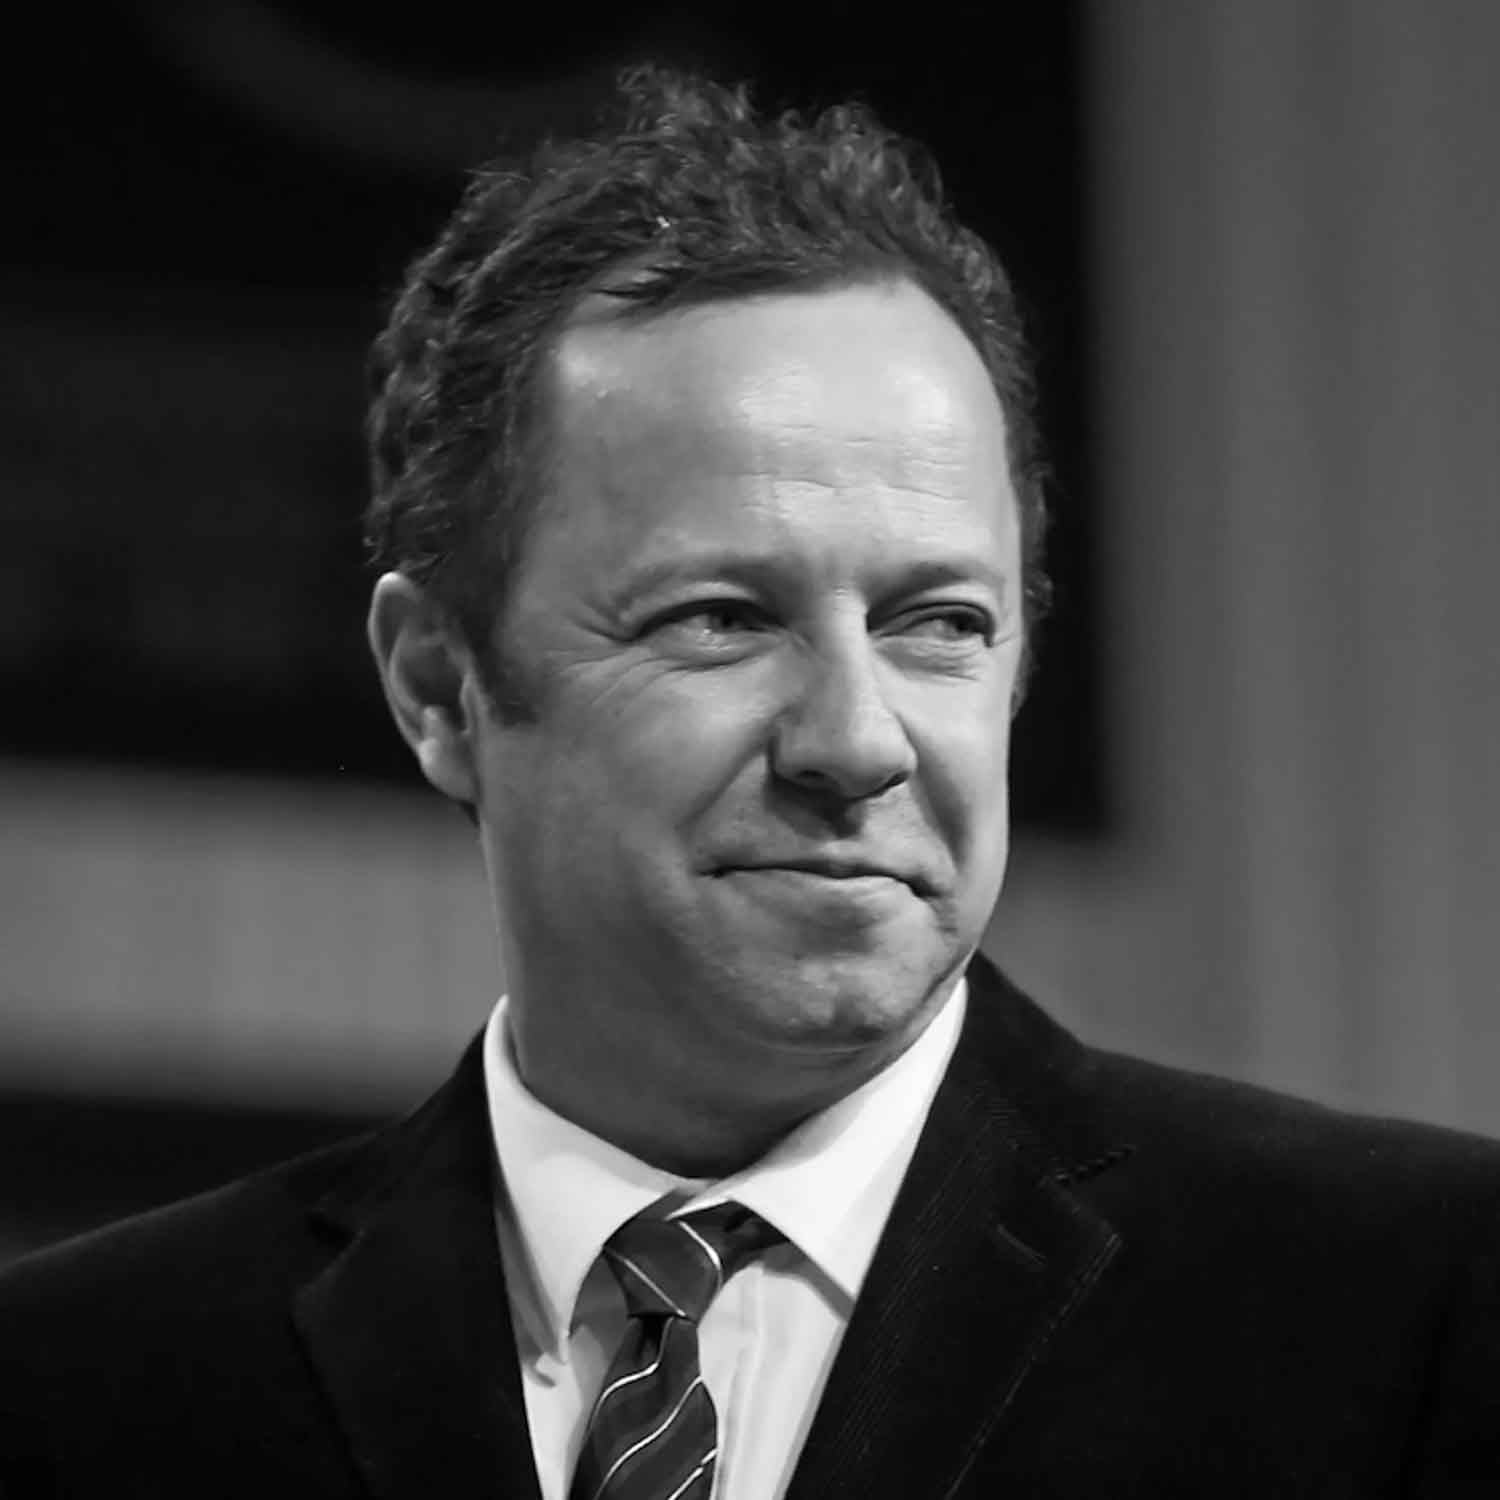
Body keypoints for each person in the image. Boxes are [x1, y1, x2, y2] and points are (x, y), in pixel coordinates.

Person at [2, 65, 1498, 1499]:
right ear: (440, 688)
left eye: (937, 624)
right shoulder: (85, 1393)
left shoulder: (1418, 1313)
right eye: (722, 618)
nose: (856, 742)